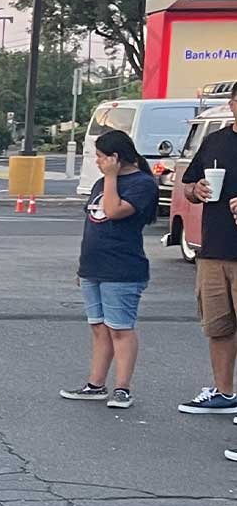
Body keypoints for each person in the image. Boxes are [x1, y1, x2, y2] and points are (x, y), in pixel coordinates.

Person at [59, 129, 158, 410]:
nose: (97, 162)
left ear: (115, 157)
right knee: (99, 328)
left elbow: (114, 212)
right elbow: (93, 224)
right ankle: (95, 384)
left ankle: (123, 388)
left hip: (122, 268)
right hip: (94, 265)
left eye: (101, 157)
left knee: (120, 329)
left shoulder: (142, 184)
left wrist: (112, 177)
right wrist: (83, 267)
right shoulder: (102, 183)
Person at [176, 90, 237, 417]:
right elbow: (188, 183)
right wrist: (195, 190)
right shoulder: (215, 141)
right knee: (218, 326)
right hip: (213, 250)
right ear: (232, 105)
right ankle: (225, 394)